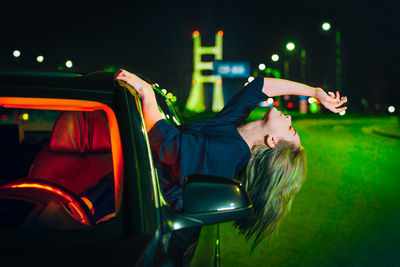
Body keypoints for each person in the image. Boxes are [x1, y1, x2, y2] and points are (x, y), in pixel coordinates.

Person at [115, 69, 347, 250]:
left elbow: (170, 146)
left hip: (141, 213)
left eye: (290, 128)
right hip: (133, 184)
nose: (288, 117)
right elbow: (260, 86)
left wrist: (146, 92)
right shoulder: (233, 127)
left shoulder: (231, 154)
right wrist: (315, 92)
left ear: (273, 141)